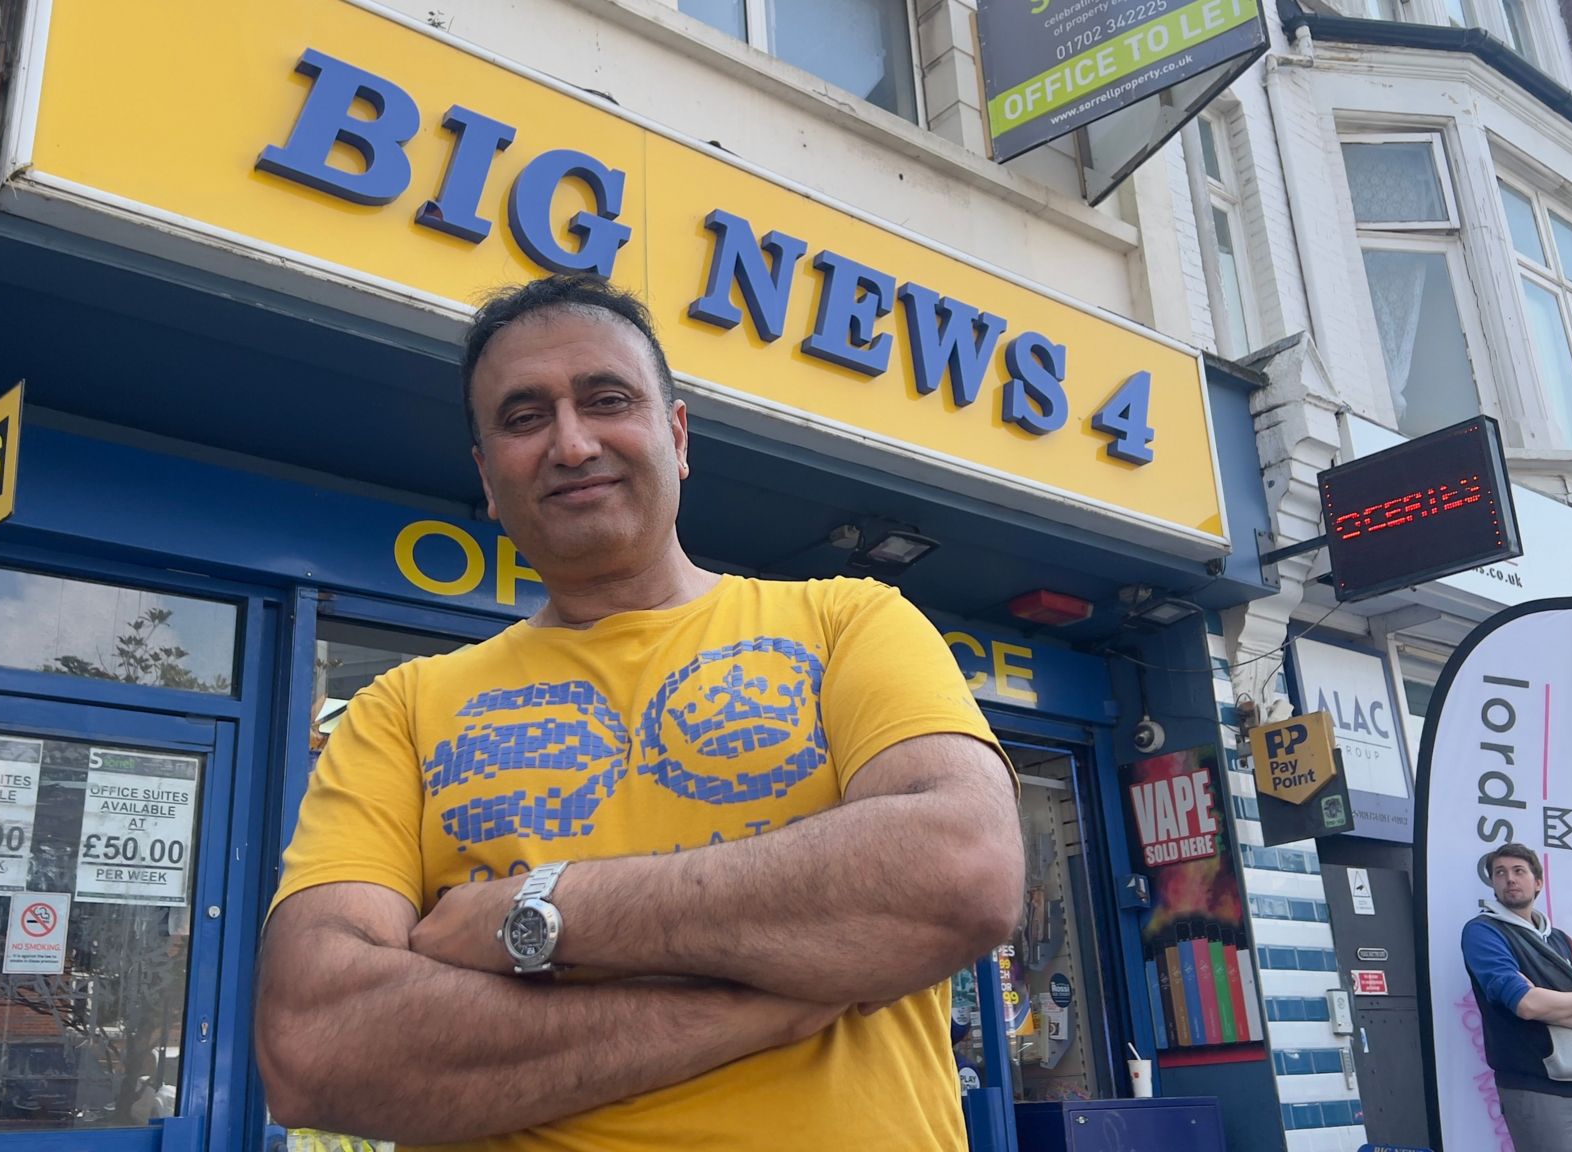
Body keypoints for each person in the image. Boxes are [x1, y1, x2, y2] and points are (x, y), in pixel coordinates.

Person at [253, 272, 1025, 1150]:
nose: (572, 443)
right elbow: (316, 1044)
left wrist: (535, 915)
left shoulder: (848, 621)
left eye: (607, 399)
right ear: (487, 477)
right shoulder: (402, 709)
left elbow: (960, 870)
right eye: (523, 417)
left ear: (678, 433)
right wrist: (760, 1007)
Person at [1461, 842, 1572, 1152]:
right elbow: (1525, 1005)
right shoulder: (1483, 933)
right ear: (1493, 884)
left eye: (1519, 871)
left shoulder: (1561, 940)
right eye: (1500, 873)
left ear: (1538, 882)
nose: (1509, 878)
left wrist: (1545, 1004)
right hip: (1535, 1086)